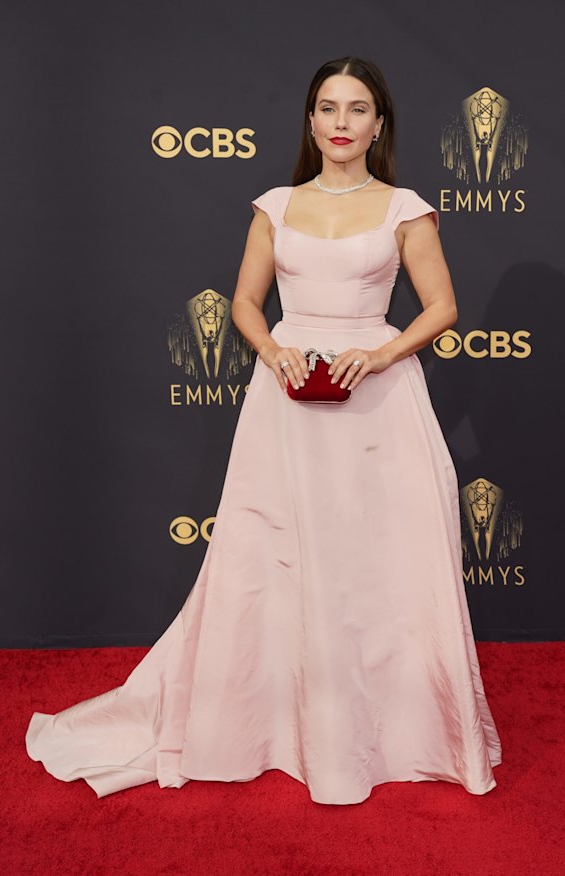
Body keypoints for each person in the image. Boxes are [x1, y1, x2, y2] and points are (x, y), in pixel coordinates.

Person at [25, 56, 502, 805]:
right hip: (285, 396)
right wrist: (274, 351)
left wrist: (379, 354)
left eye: (357, 109)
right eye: (327, 108)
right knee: (275, 555)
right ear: (310, 121)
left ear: (379, 124)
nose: (341, 123)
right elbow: (246, 302)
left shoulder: (405, 209)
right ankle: (273, 726)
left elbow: (441, 307)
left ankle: (393, 733)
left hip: (379, 402)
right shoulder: (275, 207)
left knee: (380, 560)